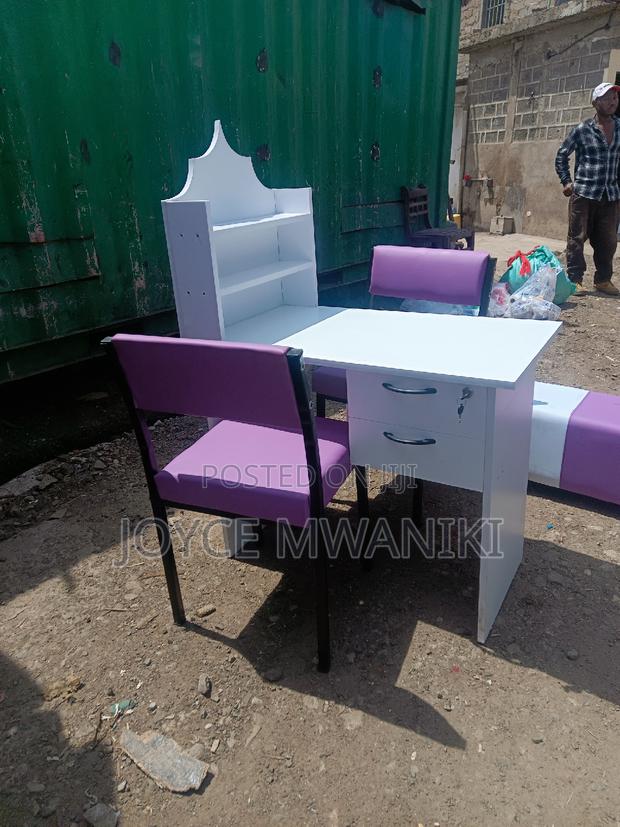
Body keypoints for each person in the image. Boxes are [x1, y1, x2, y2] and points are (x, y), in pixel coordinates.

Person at [555, 82, 620, 296]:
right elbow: (562, 154)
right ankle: (575, 280)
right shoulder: (583, 129)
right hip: (583, 193)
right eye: (607, 97)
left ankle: (603, 280)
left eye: (615, 97)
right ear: (596, 102)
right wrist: (566, 181)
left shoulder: (619, 128)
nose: (613, 101)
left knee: (609, 240)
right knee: (577, 238)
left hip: (610, 195)